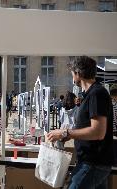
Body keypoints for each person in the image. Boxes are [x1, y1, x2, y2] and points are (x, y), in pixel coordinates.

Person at [47, 56, 113, 189]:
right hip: (92, 162)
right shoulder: (90, 94)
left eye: (72, 72)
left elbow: (98, 132)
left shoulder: (96, 93)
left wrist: (65, 133)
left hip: (93, 163)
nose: (72, 76)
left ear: (78, 73)